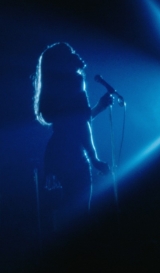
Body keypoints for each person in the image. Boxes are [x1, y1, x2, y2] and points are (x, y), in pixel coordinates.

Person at [33, 42, 113, 230]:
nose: (76, 53)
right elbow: (81, 124)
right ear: (63, 61)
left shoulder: (55, 87)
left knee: (68, 213)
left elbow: (75, 121)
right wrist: (94, 158)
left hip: (56, 153)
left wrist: (100, 107)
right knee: (80, 214)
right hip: (74, 154)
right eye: (70, 52)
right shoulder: (75, 80)